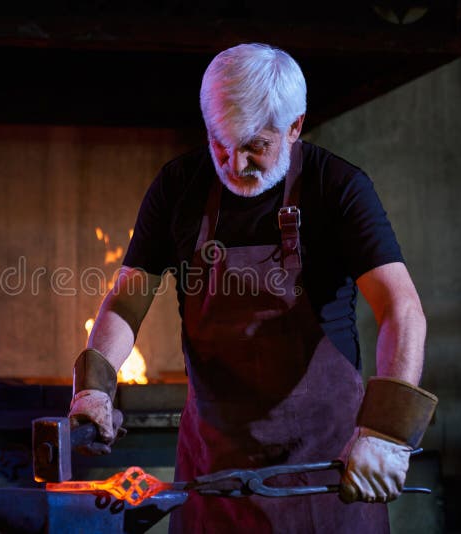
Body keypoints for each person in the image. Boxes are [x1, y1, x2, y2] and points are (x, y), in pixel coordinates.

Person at [68, 43, 437, 533]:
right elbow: (126, 302)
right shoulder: (178, 186)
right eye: (221, 142)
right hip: (214, 471)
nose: (235, 162)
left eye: (256, 145)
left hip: (326, 472)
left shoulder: (338, 187)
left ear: (295, 127)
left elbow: (401, 309)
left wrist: (387, 431)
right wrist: (94, 388)